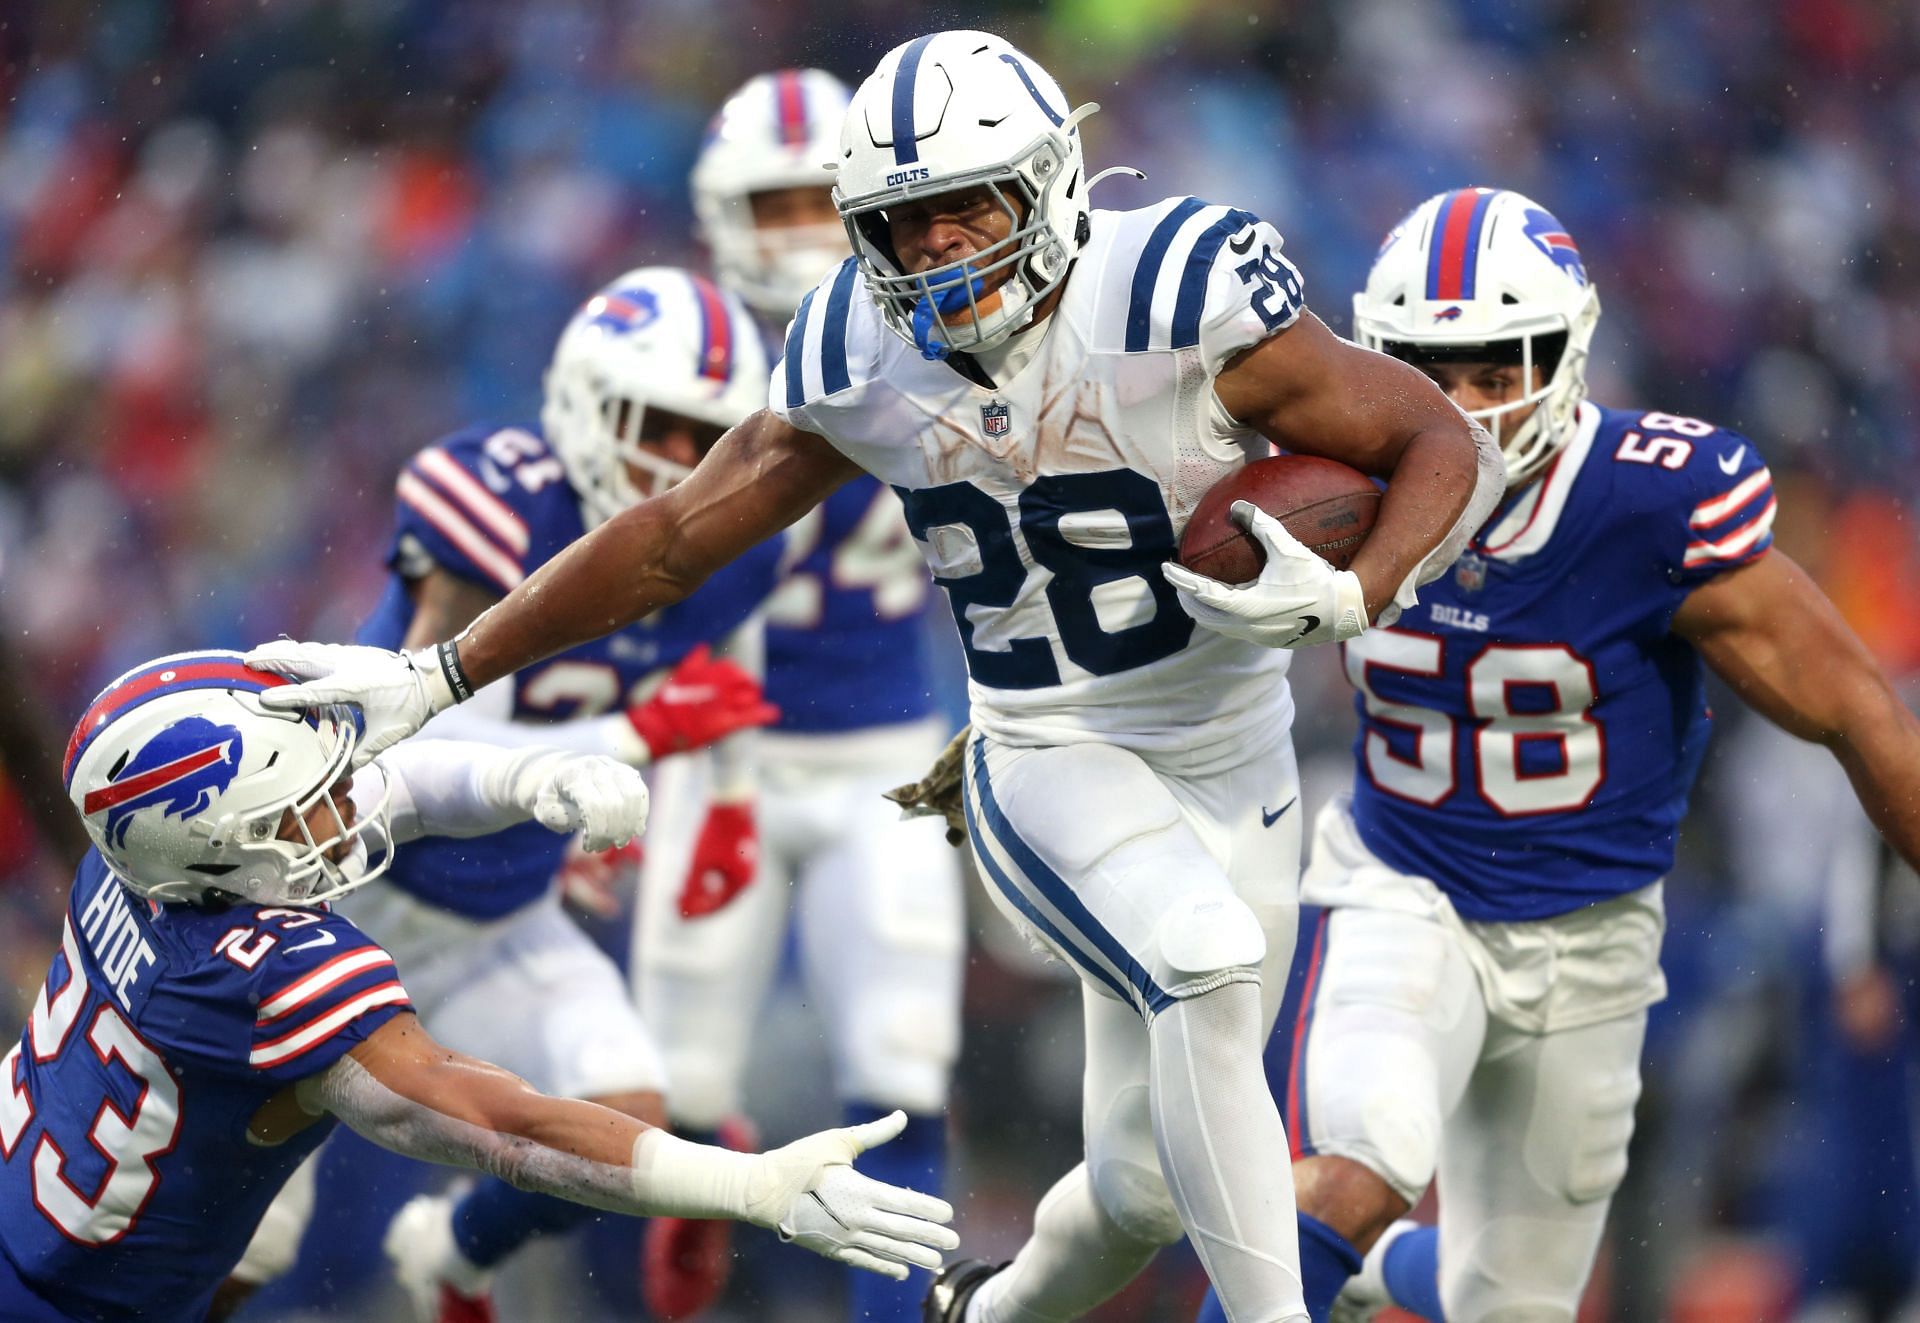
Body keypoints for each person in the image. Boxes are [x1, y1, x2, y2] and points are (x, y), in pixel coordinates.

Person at [243, 30, 1505, 1323]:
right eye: (907, 223)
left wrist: (1361, 587)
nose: (945, 249)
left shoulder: (1176, 292)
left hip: (1234, 745)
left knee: (1142, 1183)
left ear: (1053, 184)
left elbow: (1431, 434)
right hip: (1047, 742)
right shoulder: (859, 347)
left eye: (971, 207)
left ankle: (979, 1310)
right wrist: (445, 668)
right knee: (1204, 958)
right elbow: (676, 534)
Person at [1188, 187, 1920, 1323]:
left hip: (1592, 937)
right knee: (1361, 1161)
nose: (1470, 411)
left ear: (1567, 349)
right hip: (1403, 888)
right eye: (1435, 373)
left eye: (1497, 368)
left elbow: (1859, 716)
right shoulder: (1318, 481)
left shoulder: (1647, 505)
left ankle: (1370, 1279)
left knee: (1510, 1305)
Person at [0, 651, 956, 1323]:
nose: (346, 802)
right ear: (221, 849)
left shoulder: (135, 858)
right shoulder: (259, 975)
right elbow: (509, 1125)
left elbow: (398, 787)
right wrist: (749, 1187)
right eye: (308, 801)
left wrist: (532, 777)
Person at [273, 264, 782, 1323]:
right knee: (255, 1241)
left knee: (628, 1125)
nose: (682, 464)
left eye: (708, 438)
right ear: (587, 400)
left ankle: (452, 1252)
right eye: (661, 424)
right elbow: (418, 732)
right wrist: (628, 738)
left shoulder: (733, 558)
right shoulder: (500, 497)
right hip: (337, 893)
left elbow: (720, 683)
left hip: (502, 911)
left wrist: (725, 798)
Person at [634, 67, 964, 1323]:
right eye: (769, 207)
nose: (794, 238)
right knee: (674, 1103)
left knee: (901, 1072)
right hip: (716, 755)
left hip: (881, 755)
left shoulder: (946, 325)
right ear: (720, 214)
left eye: (815, 204)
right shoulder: (677, 351)